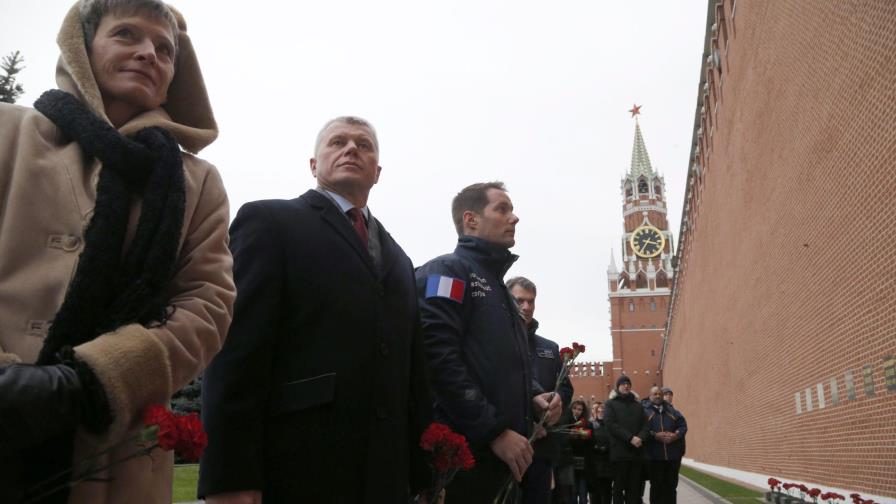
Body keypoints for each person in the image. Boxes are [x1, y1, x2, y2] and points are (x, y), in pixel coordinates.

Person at [0, 0, 235, 502]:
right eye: (126, 34)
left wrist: (93, 380)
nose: (149, 52)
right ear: (82, 49)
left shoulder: (198, 183)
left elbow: (208, 305)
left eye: (165, 48)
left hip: (117, 453)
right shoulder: (7, 133)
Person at [199, 117, 432, 503]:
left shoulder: (400, 260)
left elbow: (414, 373)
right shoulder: (270, 222)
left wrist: (423, 476)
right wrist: (230, 477)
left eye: (364, 144)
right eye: (337, 142)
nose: (352, 148)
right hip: (296, 469)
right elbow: (235, 355)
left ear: (377, 172)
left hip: (385, 480)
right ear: (313, 165)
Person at [416, 182, 561, 502]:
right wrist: (494, 431)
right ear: (470, 219)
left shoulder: (502, 294)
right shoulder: (448, 272)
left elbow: (499, 365)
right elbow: (437, 357)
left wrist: (535, 395)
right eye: (502, 209)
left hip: (504, 459)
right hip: (464, 461)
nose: (514, 218)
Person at [507, 276, 574, 504]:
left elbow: (565, 387)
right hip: (506, 446)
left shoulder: (549, 348)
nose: (526, 307)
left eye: (531, 301)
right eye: (519, 301)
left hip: (542, 448)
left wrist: (556, 406)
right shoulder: (495, 342)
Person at [603, 376, 649, 504]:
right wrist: (630, 438)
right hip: (620, 454)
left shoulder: (638, 405)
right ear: (618, 387)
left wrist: (640, 437)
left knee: (634, 489)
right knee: (618, 488)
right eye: (623, 383)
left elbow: (646, 425)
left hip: (636, 454)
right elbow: (610, 424)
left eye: (628, 383)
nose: (626, 385)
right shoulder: (610, 404)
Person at [644, 386, 687, 504]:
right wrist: (654, 435)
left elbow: (683, 426)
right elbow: (640, 429)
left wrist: (676, 435)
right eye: (655, 394)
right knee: (657, 488)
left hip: (672, 457)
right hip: (654, 457)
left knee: (671, 488)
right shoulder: (644, 411)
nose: (658, 396)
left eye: (659, 394)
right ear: (650, 396)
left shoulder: (672, 411)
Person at [586, 403, 614, 504]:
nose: (601, 412)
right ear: (595, 412)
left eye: (603, 410)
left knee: (607, 490)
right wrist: (596, 447)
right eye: (599, 410)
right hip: (595, 462)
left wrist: (607, 448)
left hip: (607, 462)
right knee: (595, 490)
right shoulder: (591, 425)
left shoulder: (610, 426)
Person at [566, 400, 592, 504]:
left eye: (580, 409)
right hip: (568, 462)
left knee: (583, 495)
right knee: (571, 495)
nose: (577, 411)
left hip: (583, 464)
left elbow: (592, 441)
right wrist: (570, 436)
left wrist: (585, 436)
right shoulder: (566, 423)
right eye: (574, 408)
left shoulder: (587, 423)